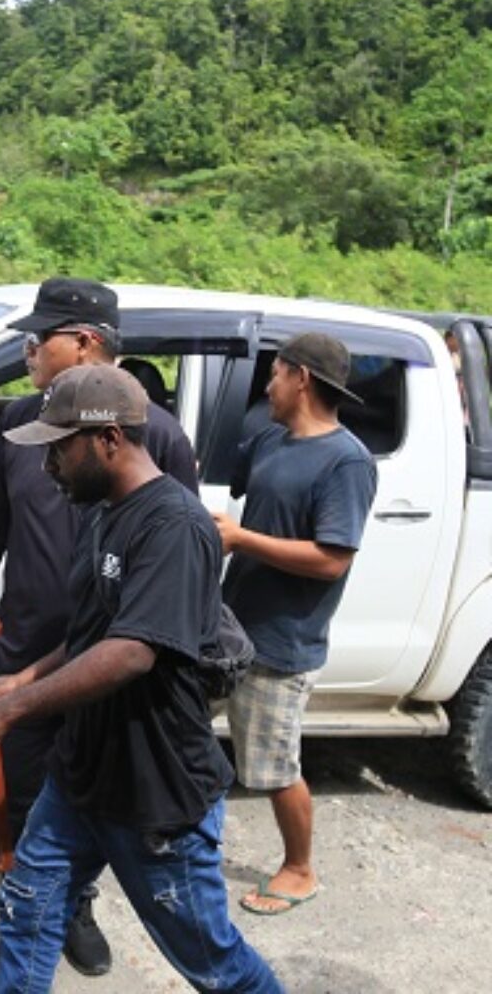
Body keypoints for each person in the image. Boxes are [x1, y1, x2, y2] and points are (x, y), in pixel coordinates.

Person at [0, 364, 282, 994]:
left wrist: (8, 714)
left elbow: (132, 651)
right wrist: (27, 678)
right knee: (28, 908)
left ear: (108, 440)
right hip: (80, 772)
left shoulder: (173, 526)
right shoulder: (102, 511)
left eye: (58, 450)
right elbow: (96, 628)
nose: (48, 469)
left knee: (211, 960)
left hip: (154, 791)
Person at [0, 277, 197, 992]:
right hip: (26, 650)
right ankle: (29, 925)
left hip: (105, 662)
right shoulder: (19, 422)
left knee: (94, 805)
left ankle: (73, 909)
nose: (28, 350)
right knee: (20, 796)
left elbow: (175, 562)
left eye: (40, 339)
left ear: (86, 342)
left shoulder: (154, 435)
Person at [213, 333, 377, 916]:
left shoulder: (347, 461)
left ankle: (301, 868)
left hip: (282, 641)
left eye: (276, 373)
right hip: (232, 623)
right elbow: (251, 509)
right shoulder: (270, 440)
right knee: (177, 722)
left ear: (301, 378)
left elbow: (333, 559)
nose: (268, 384)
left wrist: (240, 537)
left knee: (273, 766)